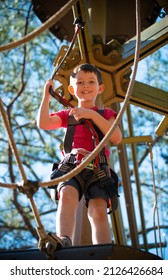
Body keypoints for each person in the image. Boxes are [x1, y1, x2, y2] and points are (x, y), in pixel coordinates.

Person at [37, 63, 122, 247]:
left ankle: (103, 248)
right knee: (67, 195)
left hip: (98, 168)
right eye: (80, 82)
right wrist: (46, 96)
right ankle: (64, 239)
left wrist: (91, 115)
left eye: (91, 82)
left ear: (100, 88)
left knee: (98, 209)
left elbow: (115, 137)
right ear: (71, 89)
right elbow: (44, 123)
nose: (85, 86)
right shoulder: (68, 115)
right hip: (73, 165)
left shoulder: (106, 113)